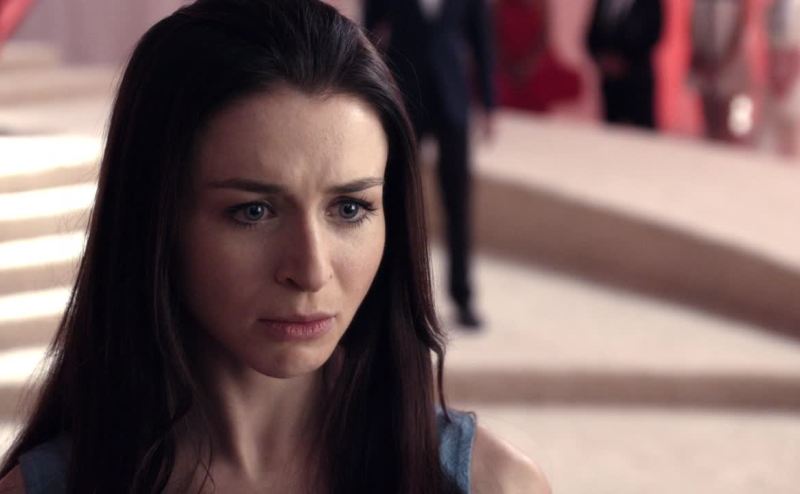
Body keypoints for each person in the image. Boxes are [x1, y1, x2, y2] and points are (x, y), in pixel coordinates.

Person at [0, 0, 550, 493]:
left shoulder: (496, 485)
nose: (310, 270)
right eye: (254, 211)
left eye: (349, 209)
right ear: (154, 221)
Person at [363, 0, 496, 329]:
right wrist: (368, 95)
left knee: (458, 202)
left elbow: (482, 40)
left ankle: (462, 296)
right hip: (404, 95)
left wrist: (489, 104)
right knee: (397, 197)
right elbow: (367, 36)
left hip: (453, 98)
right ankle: (394, 295)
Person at [586, 0, 663, 129]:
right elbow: (591, 34)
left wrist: (624, 60)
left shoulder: (650, 3)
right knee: (611, 130)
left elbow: (653, 33)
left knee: (640, 131)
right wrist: (603, 59)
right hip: (609, 83)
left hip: (637, 81)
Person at [690, 0, 755, 143]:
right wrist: (704, 62)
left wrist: (722, 64)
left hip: (729, 67)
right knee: (709, 118)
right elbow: (693, 27)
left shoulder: (735, 5)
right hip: (705, 63)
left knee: (727, 120)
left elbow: (738, 32)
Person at [765, 0, 800, 157]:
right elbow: (770, 39)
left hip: (795, 67)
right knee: (777, 117)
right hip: (776, 64)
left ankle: (793, 156)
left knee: (793, 119)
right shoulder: (775, 6)